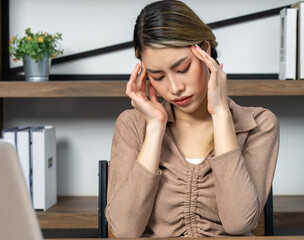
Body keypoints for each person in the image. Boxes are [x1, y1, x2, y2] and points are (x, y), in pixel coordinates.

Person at [105, 0, 279, 238]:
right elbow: (124, 230)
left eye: (182, 68)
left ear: (204, 50)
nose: (175, 88)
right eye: (158, 76)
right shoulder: (132, 125)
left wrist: (221, 115)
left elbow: (239, 222)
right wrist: (155, 127)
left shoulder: (259, 124)